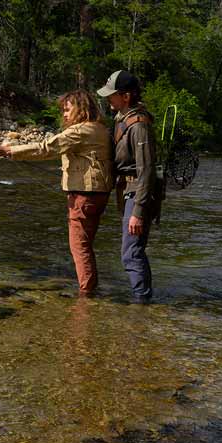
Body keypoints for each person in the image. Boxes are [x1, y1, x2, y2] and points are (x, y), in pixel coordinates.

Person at [0, 90, 113, 297]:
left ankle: (86, 296)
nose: (64, 114)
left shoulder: (81, 131)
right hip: (97, 194)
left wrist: (8, 151)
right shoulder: (100, 128)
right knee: (85, 245)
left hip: (84, 196)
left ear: (80, 109)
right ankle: (90, 289)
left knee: (79, 246)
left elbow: (47, 148)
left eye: (67, 110)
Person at [97, 70, 162, 304]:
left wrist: (138, 212)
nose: (108, 99)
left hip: (137, 194)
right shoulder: (122, 119)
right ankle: (143, 300)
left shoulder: (138, 125)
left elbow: (146, 171)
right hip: (128, 192)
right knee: (132, 251)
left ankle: (142, 305)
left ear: (125, 97)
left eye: (112, 95)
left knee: (131, 253)